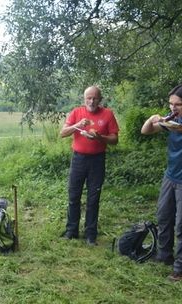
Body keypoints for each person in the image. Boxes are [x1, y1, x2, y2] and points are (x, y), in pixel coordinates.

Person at [141, 84, 182, 281]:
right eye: (170, 104)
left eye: (178, 105)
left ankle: (181, 268)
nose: (173, 109)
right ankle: (164, 255)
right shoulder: (174, 117)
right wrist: (152, 119)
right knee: (164, 216)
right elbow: (145, 131)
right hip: (171, 174)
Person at [60, 86, 119, 246]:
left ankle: (90, 234)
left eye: (95, 98)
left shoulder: (107, 114)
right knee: (74, 196)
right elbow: (63, 133)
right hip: (78, 159)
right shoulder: (76, 112)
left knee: (93, 198)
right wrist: (77, 124)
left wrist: (100, 138)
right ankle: (71, 231)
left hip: (97, 160)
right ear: (84, 98)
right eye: (89, 98)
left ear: (100, 99)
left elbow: (114, 140)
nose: (92, 101)